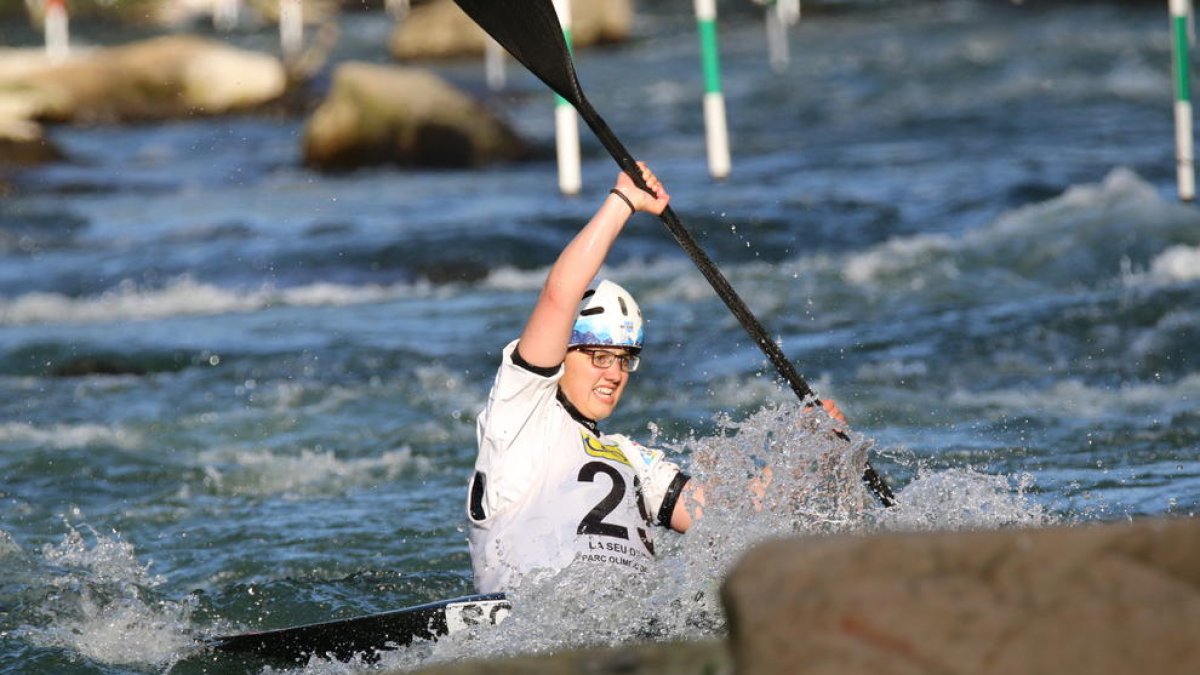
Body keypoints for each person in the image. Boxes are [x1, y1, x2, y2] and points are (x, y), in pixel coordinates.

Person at [465, 163, 839, 594]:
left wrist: (805, 447)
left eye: (624, 360)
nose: (613, 373)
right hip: (529, 614)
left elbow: (736, 519)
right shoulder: (522, 415)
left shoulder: (633, 459)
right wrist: (624, 201)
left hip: (627, 621)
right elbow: (559, 294)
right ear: (562, 354)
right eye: (599, 356)